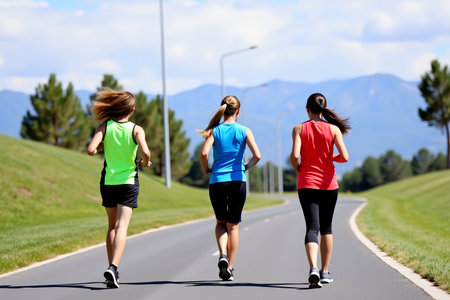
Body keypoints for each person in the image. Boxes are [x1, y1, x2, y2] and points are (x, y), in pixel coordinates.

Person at [87, 90, 152, 288]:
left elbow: (90, 150)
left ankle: (110, 267)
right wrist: (145, 161)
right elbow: (146, 152)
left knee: (111, 226)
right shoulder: (136, 129)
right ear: (131, 110)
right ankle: (114, 267)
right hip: (129, 182)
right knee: (122, 226)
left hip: (108, 182)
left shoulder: (105, 126)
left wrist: (100, 147)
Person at [290, 93, 350, 289]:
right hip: (329, 185)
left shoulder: (299, 128)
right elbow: (345, 157)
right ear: (324, 109)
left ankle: (313, 268)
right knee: (327, 228)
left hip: (306, 183)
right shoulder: (333, 129)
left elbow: (295, 155)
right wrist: (330, 158)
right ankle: (325, 272)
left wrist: (298, 167)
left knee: (311, 228)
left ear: (307, 109)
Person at [198, 95, 261, 281]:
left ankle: (222, 255)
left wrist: (206, 169)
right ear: (238, 111)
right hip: (237, 181)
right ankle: (230, 267)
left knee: (220, 222)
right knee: (233, 226)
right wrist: (246, 167)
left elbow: (204, 153)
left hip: (217, 181)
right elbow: (257, 155)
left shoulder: (214, 131)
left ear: (223, 109)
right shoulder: (244, 130)